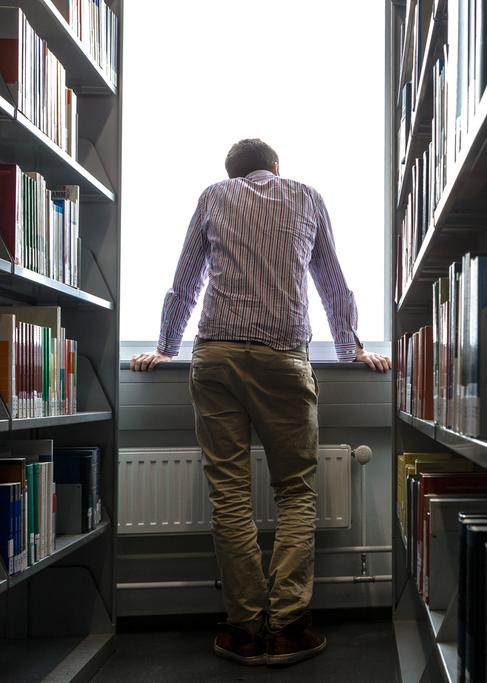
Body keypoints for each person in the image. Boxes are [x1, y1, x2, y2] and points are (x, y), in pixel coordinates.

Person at [130, 139, 391, 667]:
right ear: (276, 167)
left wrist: (164, 347)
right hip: (283, 361)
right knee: (296, 491)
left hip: (217, 358)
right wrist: (351, 350)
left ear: (231, 173)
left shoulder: (213, 196)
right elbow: (332, 282)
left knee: (230, 495)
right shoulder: (306, 196)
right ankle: (289, 626)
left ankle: (245, 629)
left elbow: (184, 281)